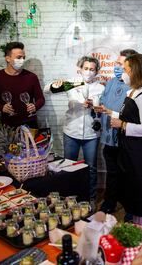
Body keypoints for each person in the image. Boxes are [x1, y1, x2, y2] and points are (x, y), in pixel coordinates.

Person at [109, 53, 142, 228]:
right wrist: (111, 114)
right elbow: (132, 116)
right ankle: (137, 231)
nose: (122, 73)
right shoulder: (132, 91)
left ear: (135, 71)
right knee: (132, 192)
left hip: (138, 152)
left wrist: (122, 124)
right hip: (128, 149)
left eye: (125, 69)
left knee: (141, 195)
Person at [44, 56, 105, 206]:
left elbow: (104, 109)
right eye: (86, 68)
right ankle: (68, 198)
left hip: (92, 134)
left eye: (92, 69)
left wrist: (94, 105)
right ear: (80, 69)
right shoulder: (72, 83)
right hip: (71, 131)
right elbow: (47, 90)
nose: (88, 72)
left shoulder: (101, 88)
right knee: (68, 166)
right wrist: (55, 84)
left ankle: (90, 198)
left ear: (96, 71)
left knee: (91, 168)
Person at [97, 49, 135, 214]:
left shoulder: (136, 85)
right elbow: (104, 101)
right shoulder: (111, 82)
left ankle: (129, 207)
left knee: (127, 175)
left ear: (130, 66)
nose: (116, 66)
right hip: (108, 138)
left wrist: (122, 122)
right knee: (111, 172)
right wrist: (98, 107)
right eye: (116, 63)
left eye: (120, 64)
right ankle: (110, 202)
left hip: (125, 138)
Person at [0, 42, 45, 128]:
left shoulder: (32, 77)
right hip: (8, 126)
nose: (22, 60)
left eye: (23, 58)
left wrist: (35, 106)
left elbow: (41, 99)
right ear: (8, 58)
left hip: (30, 124)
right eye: (19, 57)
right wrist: (1, 107)